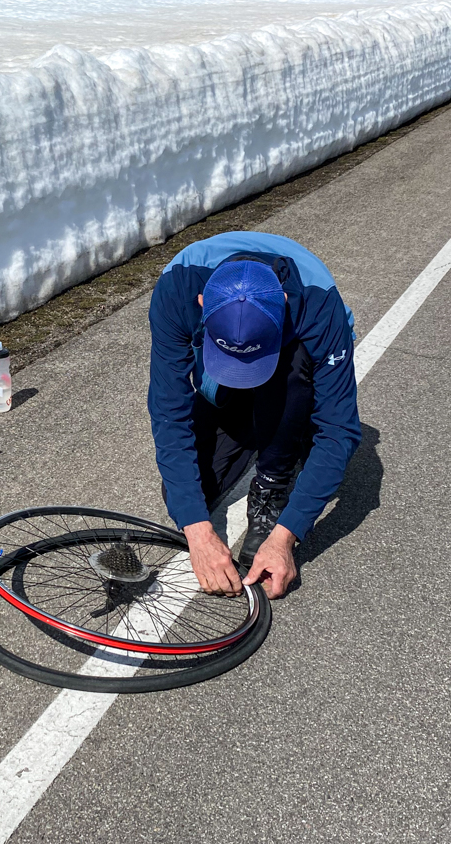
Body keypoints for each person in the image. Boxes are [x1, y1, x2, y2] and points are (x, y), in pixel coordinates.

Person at [148, 230, 361, 600]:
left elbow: (339, 429)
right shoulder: (177, 288)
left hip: (292, 363)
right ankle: (256, 422)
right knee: (181, 495)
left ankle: (274, 480)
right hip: (222, 384)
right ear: (201, 303)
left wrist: (286, 535)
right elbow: (169, 412)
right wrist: (198, 531)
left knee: (295, 366)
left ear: (283, 305)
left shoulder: (318, 304)